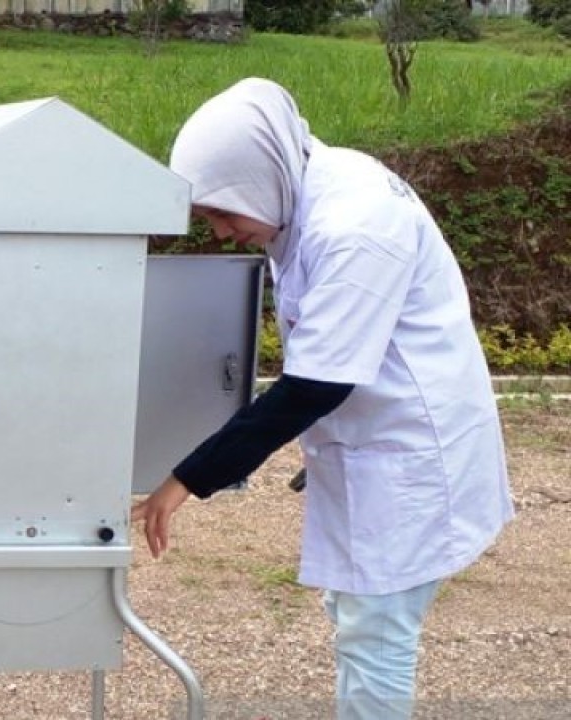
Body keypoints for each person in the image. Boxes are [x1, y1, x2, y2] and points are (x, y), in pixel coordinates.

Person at [133, 78, 513, 719]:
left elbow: (314, 385)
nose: (221, 232)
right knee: (356, 614)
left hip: (413, 453)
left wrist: (185, 480)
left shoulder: (356, 225)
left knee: (378, 639)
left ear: (260, 181)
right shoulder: (303, 185)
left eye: (224, 214)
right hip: (372, 443)